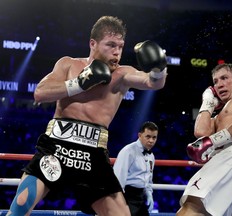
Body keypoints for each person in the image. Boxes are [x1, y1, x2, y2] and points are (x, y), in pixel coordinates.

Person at [7, 16, 167, 216]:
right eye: (110, 45)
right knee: (20, 207)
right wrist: (80, 83)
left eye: (120, 46)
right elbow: (40, 92)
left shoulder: (122, 75)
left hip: (93, 155)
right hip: (57, 147)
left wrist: (159, 69)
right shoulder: (68, 64)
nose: (117, 52)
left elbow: (153, 83)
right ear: (93, 43)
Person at [177, 63, 232, 216]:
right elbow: (201, 132)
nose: (219, 84)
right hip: (231, 159)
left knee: (190, 208)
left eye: (224, 78)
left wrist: (212, 142)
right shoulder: (221, 115)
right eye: (215, 81)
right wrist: (208, 101)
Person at [113, 121, 158, 216]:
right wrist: (118, 202)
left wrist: (149, 194)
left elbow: (149, 179)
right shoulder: (128, 151)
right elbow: (118, 178)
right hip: (127, 196)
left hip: (141, 197)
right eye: (148, 136)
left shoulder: (151, 156)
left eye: (154, 137)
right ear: (140, 135)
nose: (151, 140)